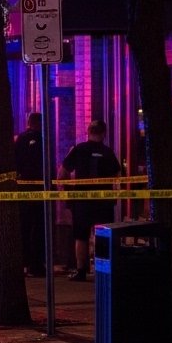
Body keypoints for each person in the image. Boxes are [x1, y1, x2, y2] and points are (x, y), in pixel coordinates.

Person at [58, 119, 121, 282]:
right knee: (103, 234)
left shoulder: (78, 149)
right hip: (103, 201)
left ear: (88, 132)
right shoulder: (108, 152)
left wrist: (69, 192)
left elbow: (62, 172)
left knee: (81, 236)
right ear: (104, 134)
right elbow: (117, 175)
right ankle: (103, 271)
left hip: (82, 200)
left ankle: (81, 270)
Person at [14, 113, 46, 278]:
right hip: (40, 189)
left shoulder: (20, 139)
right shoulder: (43, 139)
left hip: (23, 189)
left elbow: (15, 163)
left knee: (24, 227)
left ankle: (23, 263)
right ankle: (36, 265)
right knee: (39, 227)